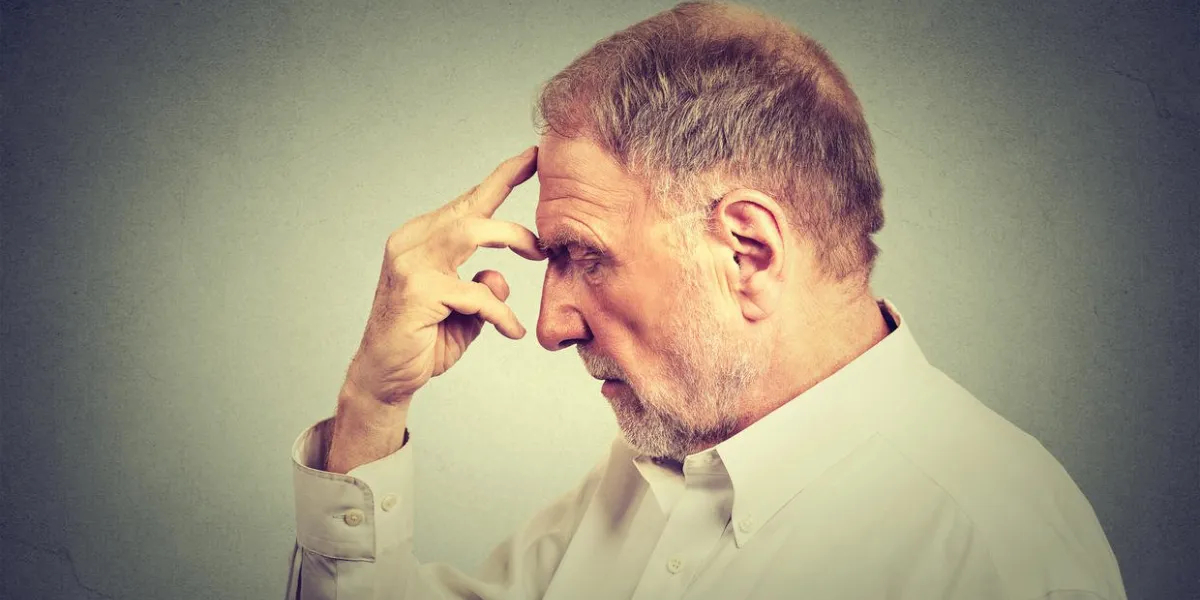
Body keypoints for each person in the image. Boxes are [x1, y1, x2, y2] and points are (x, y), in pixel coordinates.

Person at [285, 2, 1127, 598]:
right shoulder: (657, 463)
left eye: (586, 257)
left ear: (748, 251)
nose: (546, 326)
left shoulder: (999, 555)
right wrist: (371, 406)